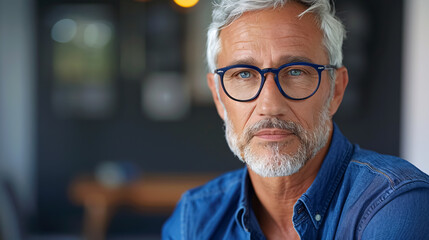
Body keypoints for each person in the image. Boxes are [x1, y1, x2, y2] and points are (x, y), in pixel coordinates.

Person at [162, 0, 429, 239]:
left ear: (336, 90)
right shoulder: (193, 220)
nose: (270, 105)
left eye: (296, 72)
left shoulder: (396, 204)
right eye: (244, 74)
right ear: (218, 96)